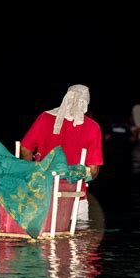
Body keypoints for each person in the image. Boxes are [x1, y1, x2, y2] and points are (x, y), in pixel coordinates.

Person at [20, 84, 104, 221]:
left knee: (42, 236)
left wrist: (33, 172)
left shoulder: (45, 118)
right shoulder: (93, 128)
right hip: (76, 195)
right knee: (79, 236)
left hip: (43, 192)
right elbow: (93, 169)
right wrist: (84, 178)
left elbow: (25, 148)